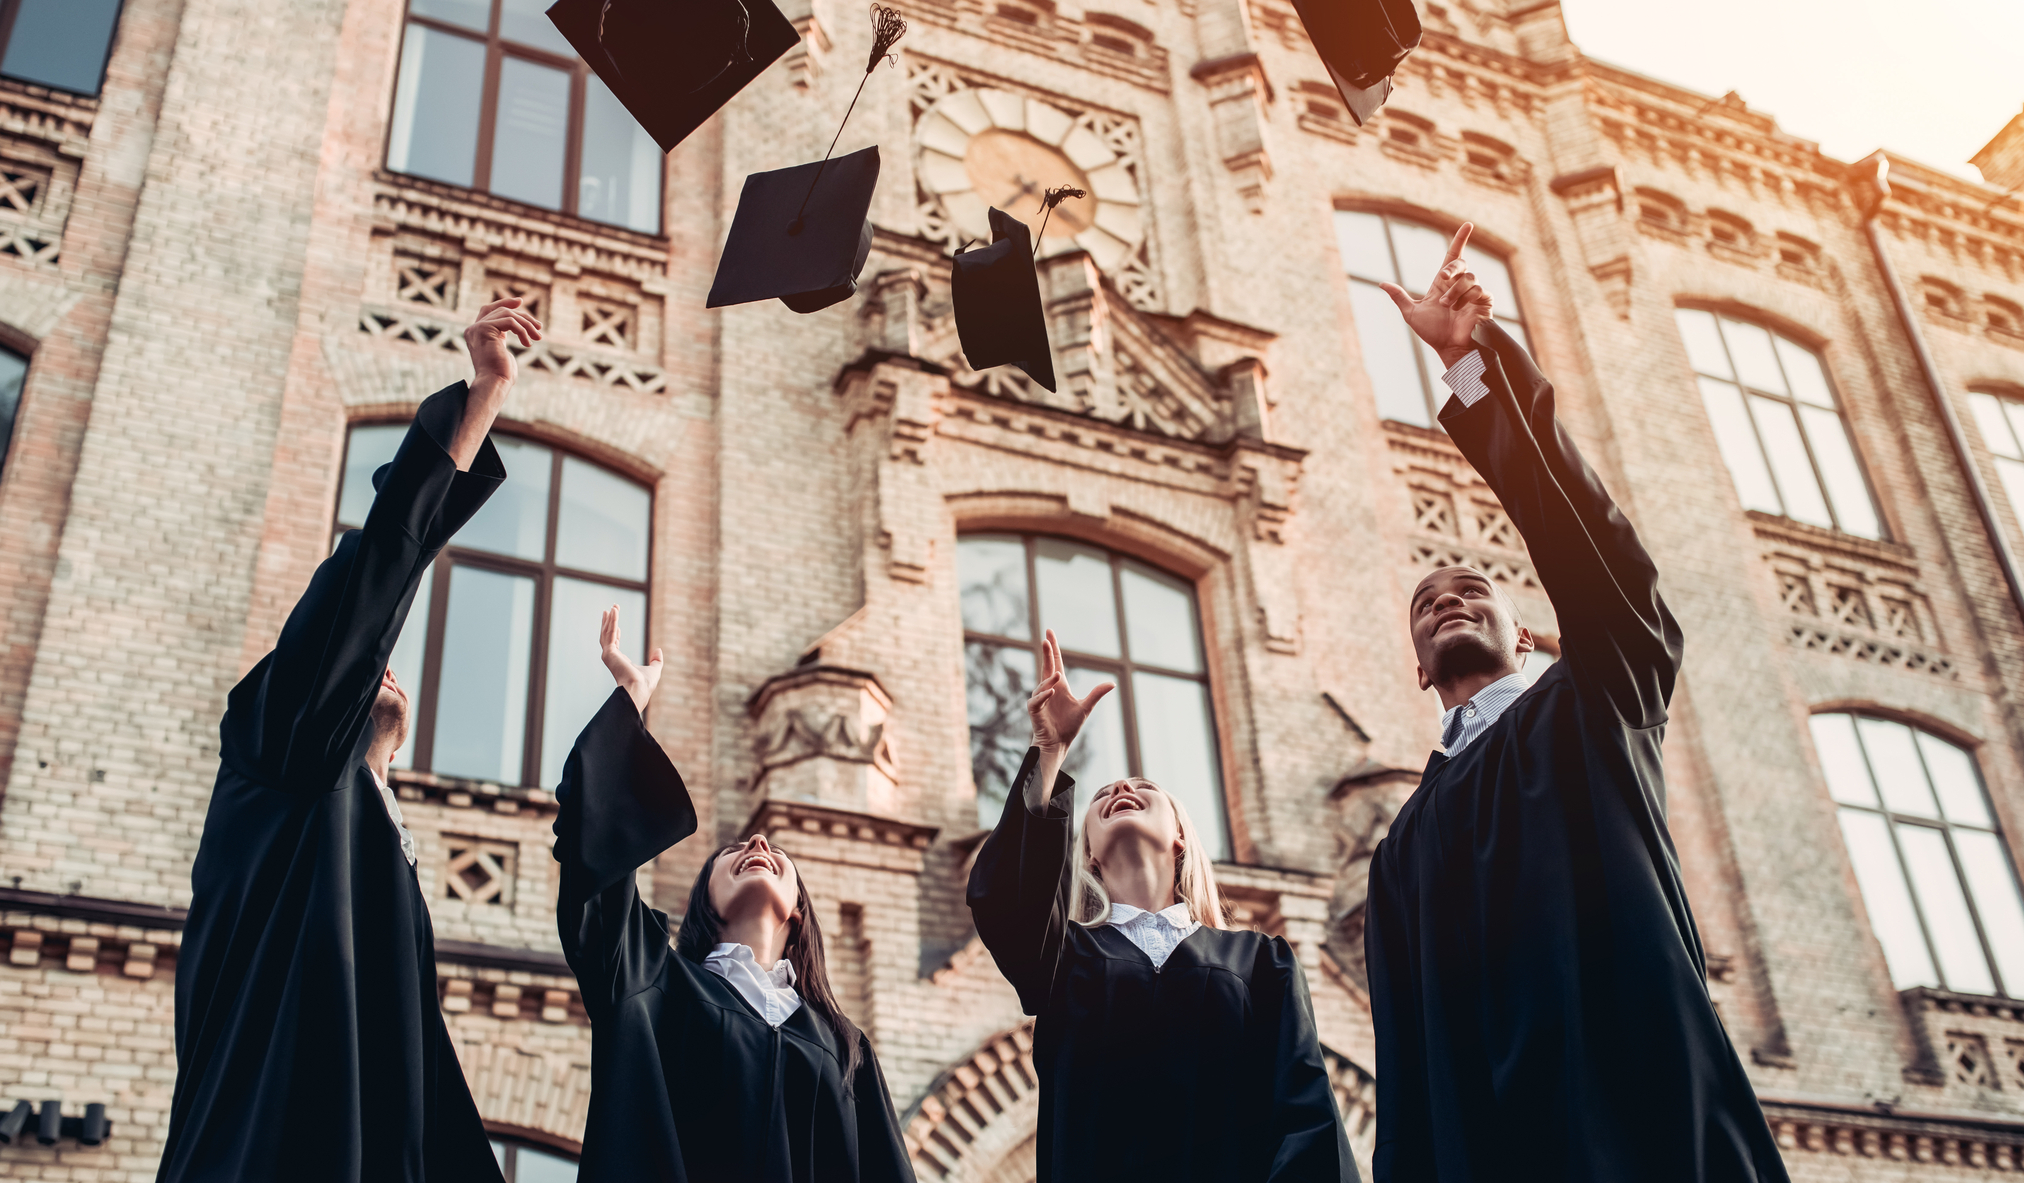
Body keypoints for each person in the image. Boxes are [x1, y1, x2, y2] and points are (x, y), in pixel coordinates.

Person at [1362, 225, 1788, 1182]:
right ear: (1418, 668)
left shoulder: (1594, 703)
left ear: (1529, 636)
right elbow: (1409, 1061)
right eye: (1425, 604)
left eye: (1475, 590)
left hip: (1638, 1113)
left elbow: (1595, 553)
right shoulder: (1401, 853)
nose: (1447, 600)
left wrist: (1476, 368)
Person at [161, 297, 542, 1183]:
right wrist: (482, 396)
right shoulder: (278, 755)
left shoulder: (385, 846)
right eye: (366, 658)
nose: (385, 664)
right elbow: (374, 573)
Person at [968, 630, 1360, 1183]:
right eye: (1102, 796)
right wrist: (1050, 749)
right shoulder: (1062, 956)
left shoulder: (1259, 961)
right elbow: (1008, 898)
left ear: (1180, 835)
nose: (1120, 787)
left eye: (1143, 787)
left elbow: (1305, 1111)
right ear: (1091, 859)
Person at [552, 606, 917, 1183]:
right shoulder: (655, 980)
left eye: (777, 856)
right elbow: (594, 868)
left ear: (798, 909)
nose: (757, 841)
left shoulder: (844, 1044)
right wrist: (630, 704)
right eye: (731, 855)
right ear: (706, 902)